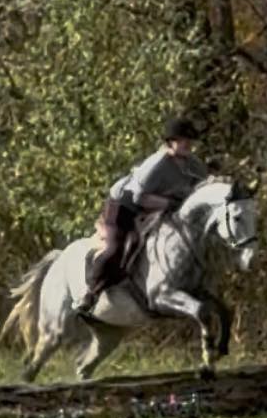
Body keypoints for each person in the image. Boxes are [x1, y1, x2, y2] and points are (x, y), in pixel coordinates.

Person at [72, 116, 209, 316]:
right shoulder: (157, 164)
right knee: (116, 247)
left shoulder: (192, 163)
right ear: (171, 141)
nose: (188, 144)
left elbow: (203, 185)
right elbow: (140, 198)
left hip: (157, 208)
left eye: (190, 140)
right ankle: (90, 293)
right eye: (183, 139)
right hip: (124, 205)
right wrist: (172, 204)